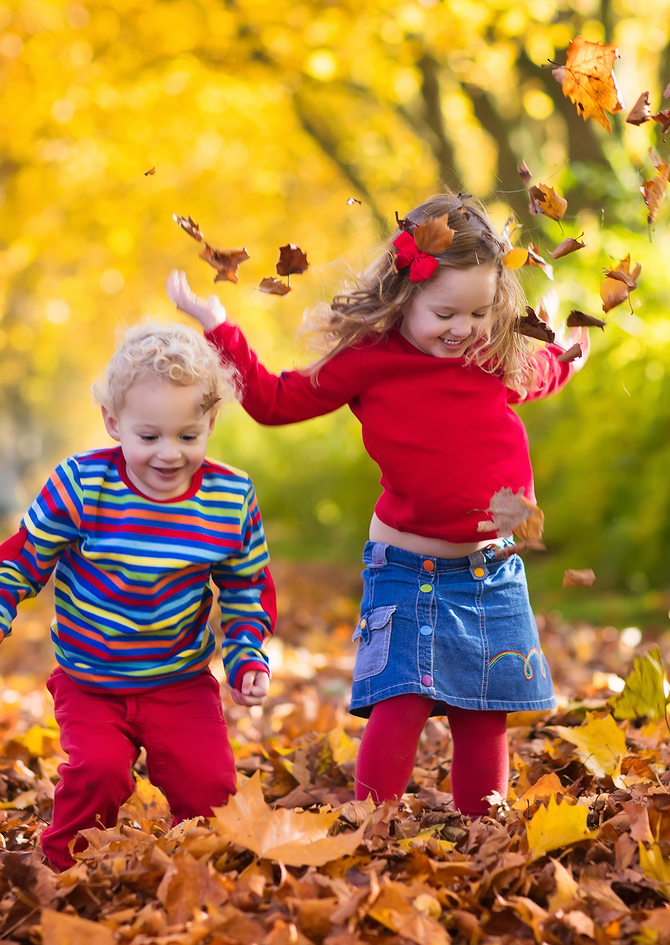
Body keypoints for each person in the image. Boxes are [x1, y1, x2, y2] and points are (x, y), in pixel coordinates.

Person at [168, 193, 587, 817]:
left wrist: (572, 348)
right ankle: (371, 824)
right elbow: (275, 402)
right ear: (404, 294)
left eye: (477, 312)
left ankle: (482, 825)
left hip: (492, 571)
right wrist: (220, 328)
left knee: (485, 708)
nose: (461, 329)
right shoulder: (371, 361)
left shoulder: (492, 356)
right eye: (445, 312)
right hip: (406, 569)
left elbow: (545, 370)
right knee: (402, 700)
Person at [0, 323, 276, 870]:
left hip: (179, 681)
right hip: (90, 679)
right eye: (149, 436)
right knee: (99, 772)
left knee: (211, 790)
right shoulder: (82, 484)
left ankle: (203, 874)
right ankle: (63, 867)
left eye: (188, 436)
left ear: (210, 422)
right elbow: (23, 560)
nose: (169, 454)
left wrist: (246, 654)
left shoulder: (230, 497)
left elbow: (245, 587)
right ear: (114, 424)